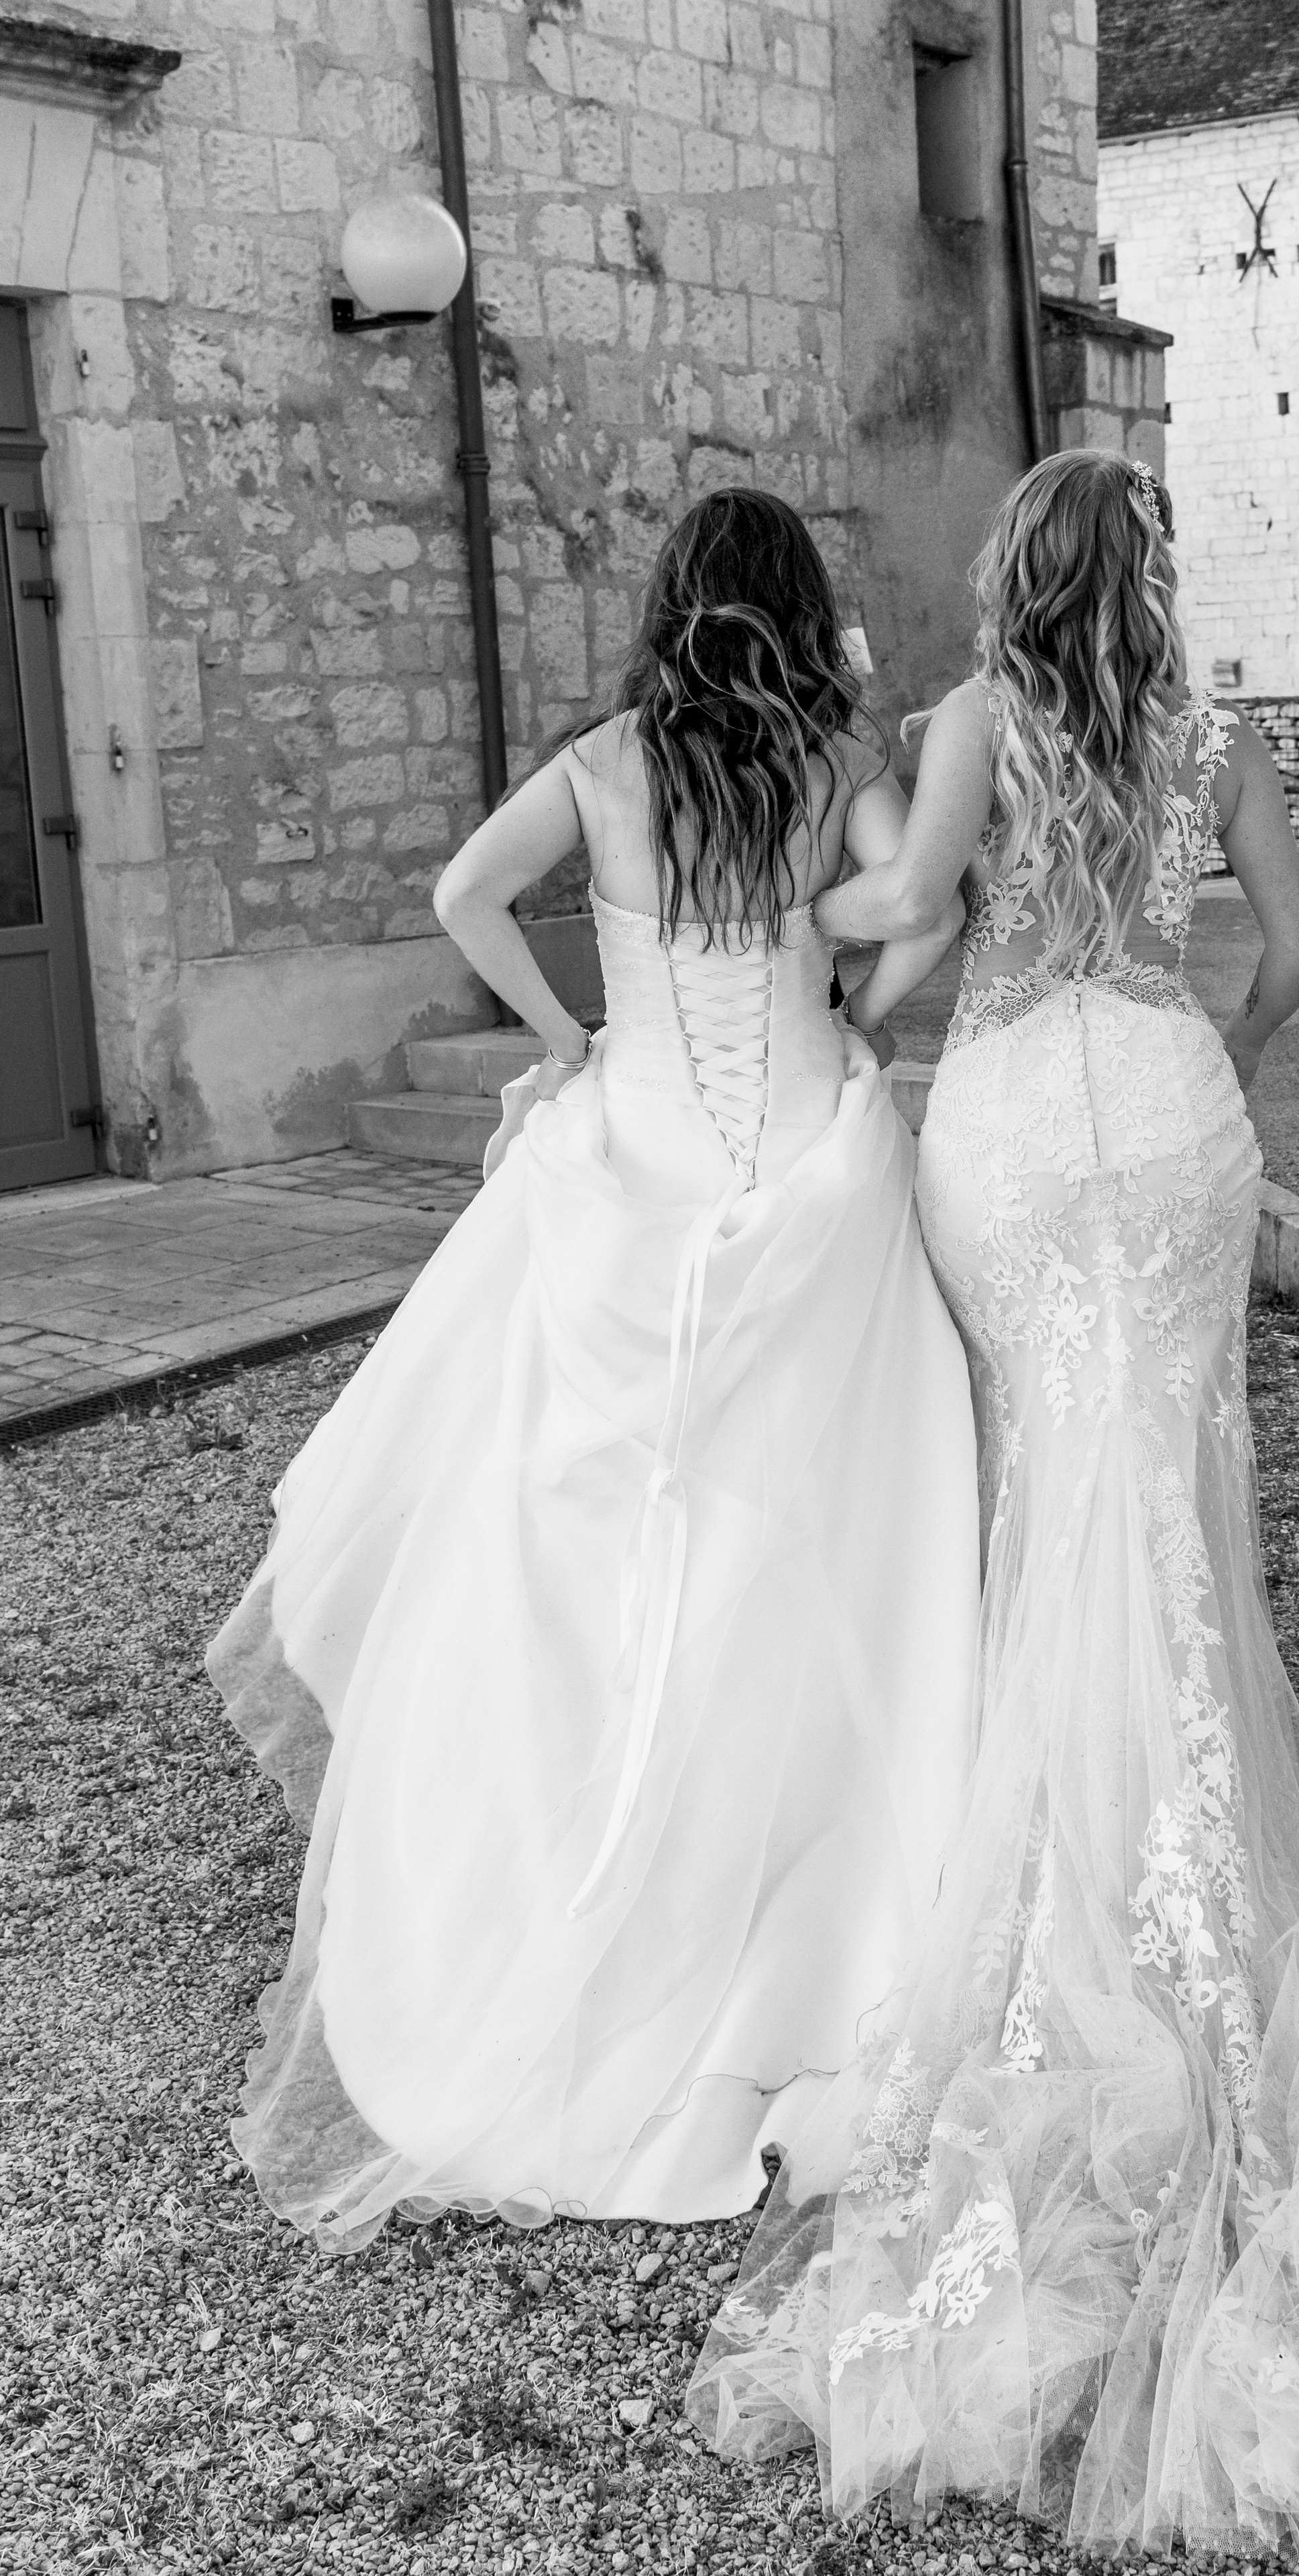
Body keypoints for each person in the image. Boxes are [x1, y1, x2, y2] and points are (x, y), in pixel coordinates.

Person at [689, 454, 1299, 2562]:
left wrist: (779, 932)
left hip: (1014, 1124)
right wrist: (1229, 1060)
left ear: (1020, 571)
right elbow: (1292, 950)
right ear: (1155, 579)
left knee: (1049, 1484)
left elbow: (911, 915)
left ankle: (1069, 1871)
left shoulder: (969, 724)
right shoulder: (1215, 737)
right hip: (1174, 1116)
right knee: (1167, 1508)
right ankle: (1186, 1874)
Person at [207, 490, 980, 2251]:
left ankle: (569, 1894)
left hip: (635, 1150)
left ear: (670, 601)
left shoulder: (608, 763)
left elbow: (463, 894)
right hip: (806, 1157)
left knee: (575, 1532)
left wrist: (567, 1037)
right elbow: (924, 910)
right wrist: (852, 1014)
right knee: (827, 1521)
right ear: (798, 606)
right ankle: (806, 1889)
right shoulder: (835, 756)